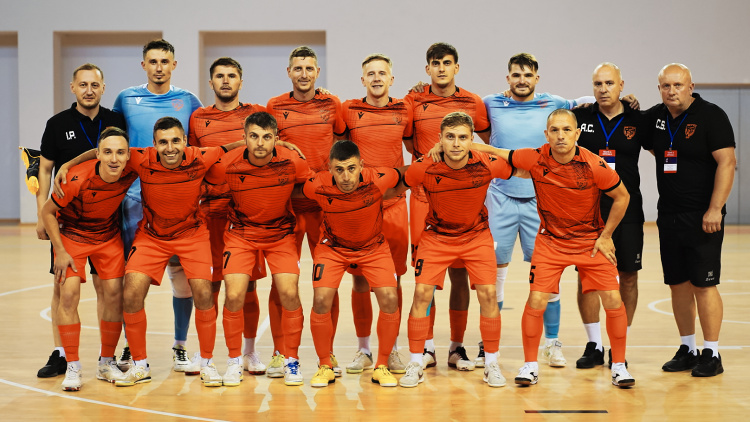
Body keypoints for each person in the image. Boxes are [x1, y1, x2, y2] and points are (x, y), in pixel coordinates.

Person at [54, 117, 243, 387]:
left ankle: (207, 363)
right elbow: (99, 152)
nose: (170, 148)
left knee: (203, 292)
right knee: (131, 293)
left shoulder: (202, 156)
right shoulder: (139, 158)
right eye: (163, 142)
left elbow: (231, 146)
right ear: (153, 145)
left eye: (175, 141)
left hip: (192, 235)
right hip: (152, 236)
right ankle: (140, 365)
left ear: (185, 142)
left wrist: (281, 144)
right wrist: (68, 164)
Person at [482, 108, 634, 388]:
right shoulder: (535, 157)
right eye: (555, 130)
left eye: (566, 130)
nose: (561, 135)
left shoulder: (594, 165)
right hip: (551, 242)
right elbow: (500, 153)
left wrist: (606, 235)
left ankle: (620, 366)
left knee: (613, 301)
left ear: (577, 134)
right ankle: (530, 366)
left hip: (590, 242)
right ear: (546, 134)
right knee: (537, 300)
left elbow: (622, 197)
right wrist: (470, 145)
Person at [482, 53, 605, 368]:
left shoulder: (555, 104)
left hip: (541, 200)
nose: (521, 79)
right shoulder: (490, 103)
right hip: (501, 197)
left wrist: (625, 99)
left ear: (537, 78)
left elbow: (589, 100)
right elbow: (461, 112)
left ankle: (552, 343)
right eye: (515, 74)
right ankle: (488, 343)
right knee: (494, 271)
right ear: (507, 78)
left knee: (547, 274)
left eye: (527, 74)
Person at [400, 112, 512, 389]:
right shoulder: (427, 166)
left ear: (471, 140)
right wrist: (427, 155)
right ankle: (416, 361)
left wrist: (483, 147)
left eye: (463, 138)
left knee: (488, 293)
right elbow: (402, 180)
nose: (456, 144)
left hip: (476, 237)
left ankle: (492, 363)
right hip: (436, 237)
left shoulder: (486, 163)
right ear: (440, 140)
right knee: (421, 293)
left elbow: (521, 164)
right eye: (450, 137)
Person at [113, 39, 203, 373]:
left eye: (165, 61)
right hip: (134, 201)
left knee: (181, 276)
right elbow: (111, 143)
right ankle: (129, 346)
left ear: (174, 65)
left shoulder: (189, 101)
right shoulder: (126, 98)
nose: (159, 67)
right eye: (153, 61)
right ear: (143, 66)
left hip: (178, 201)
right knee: (132, 278)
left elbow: (201, 148)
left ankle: (180, 346)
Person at [205, 111, 310, 387]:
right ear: (244, 139)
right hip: (240, 235)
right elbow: (201, 175)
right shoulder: (226, 165)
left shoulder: (293, 162)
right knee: (235, 293)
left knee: (289, 292)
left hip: (280, 235)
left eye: (266, 137)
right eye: (253, 136)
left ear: (277, 139)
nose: (260, 143)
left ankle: (291, 360)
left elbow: (307, 189)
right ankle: (233, 361)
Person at [35, 63, 126, 378]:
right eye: (83, 84)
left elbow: (112, 153)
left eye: (95, 85)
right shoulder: (57, 123)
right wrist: (39, 213)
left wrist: (74, 160)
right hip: (65, 220)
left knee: (109, 288)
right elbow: (44, 169)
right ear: (73, 88)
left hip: (107, 221)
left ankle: (107, 357)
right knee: (64, 289)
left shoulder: (115, 121)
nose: (89, 90)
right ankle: (62, 354)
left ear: (103, 88)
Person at [644, 64, 735, 377]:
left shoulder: (711, 116)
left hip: (703, 217)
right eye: (666, 86)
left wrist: (715, 208)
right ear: (659, 88)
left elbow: (727, 162)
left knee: (704, 284)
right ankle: (688, 347)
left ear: (691, 85)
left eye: (678, 85)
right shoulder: (655, 117)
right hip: (668, 215)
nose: (672, 91)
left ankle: (712, 352)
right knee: (677, 285)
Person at [405, 42, 490, 372]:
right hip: (426, 197)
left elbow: (481, 138)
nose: (441, 68)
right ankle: (426, 348)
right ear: (427, 69)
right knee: (424, 279)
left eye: (447, 63)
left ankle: (456, 347)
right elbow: (410, 141)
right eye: (435, 63)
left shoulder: (473, 102)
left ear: (457, 67)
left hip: (461, 196)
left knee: (459, 273)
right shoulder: (413, 100)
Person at [266, 45, 347, 376]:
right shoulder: (274, 106)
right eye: (297, 68)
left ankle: (327, 355)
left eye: (309, 68)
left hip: (324, 207)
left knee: (327, 283)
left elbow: (343, 146)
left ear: (317, 73)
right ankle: (279, 352)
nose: (303, 74)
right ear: (289, 72)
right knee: (282, 282)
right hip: (285, 207)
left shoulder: (332, 104)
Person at [298, 140, 402, 388]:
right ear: (329, 169)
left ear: (361, 165)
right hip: (332, 248)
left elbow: (408, 175)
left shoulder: (380, 177)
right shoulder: (316, 184)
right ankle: (325, 364)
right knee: (322, 299)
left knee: (389, 297)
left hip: (373, 247)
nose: (346, 176)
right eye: (339, 169)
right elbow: (291, 191)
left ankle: (382, 365)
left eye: (351, 168)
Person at [188, 57, 268, 376]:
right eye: (219, 76)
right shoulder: (198, 118)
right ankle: (204, 352)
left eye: (231, 76)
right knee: (208, 287)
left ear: (240, 81)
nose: (225, 81)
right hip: (207, 213)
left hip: (245, 215)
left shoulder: (256, 114)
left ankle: (248, 352)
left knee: (245, 287)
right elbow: (192, 163)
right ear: (211, 83)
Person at [40, 128, 137, 391]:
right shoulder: (75, 179)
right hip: (72, 236)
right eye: (107, 152)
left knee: (115, 294)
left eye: (120, 152)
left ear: (129, 155)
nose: (114, 159)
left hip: (107, 236)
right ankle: (73, 366)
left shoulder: (132, 167)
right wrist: (60, 251)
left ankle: (106, 362)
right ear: (98, 154)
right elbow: (48, 213)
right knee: (68, 294)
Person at [340, 53, 412, 375]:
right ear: (363, 79)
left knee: (392, 281)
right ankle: (364, 348)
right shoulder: (349, 110)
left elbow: (416, 141)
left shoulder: (405, 109)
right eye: (371, 73)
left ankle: (392, 349)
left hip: (395, 206)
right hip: (359, 208)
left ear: (392, 79)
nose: (377, 78)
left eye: (383, 72)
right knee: (358, 280)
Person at [573, 63, 649, 368]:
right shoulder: (580, 117)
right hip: (588, 211)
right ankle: (593, 344)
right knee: (587, 279)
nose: (603, 89)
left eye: (609, 83)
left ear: (621, 85)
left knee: (628, 276)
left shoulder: (639, 119)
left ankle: (620, 344)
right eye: (597, 84)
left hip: (628, 210)